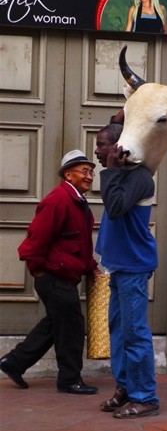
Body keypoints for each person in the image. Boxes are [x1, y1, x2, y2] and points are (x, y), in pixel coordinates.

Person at [0, 150, 99, 395]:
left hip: (61, 275)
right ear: (68, 174)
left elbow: (80, 243)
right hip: (53, 276)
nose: (90, 177)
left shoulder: (76, 200)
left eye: (91, 172)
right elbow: (36, 240)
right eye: (84, 171)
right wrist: (39, 270)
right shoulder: (58, 200)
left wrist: (90, 268)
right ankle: (69, 379)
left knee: (55, 323)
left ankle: (14, 362)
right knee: (72, 326)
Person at [94, 123, 160, 419]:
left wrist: (109, 169)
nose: (96, 151)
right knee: (119, 333)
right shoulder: (125, 174)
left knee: (134, 333)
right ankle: (125, 387)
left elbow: (116, 206)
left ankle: (145, 396)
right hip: (120, 264)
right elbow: (120, 123)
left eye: (101, 146)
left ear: (118, 148)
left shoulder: (141, 178)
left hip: (133, 265)